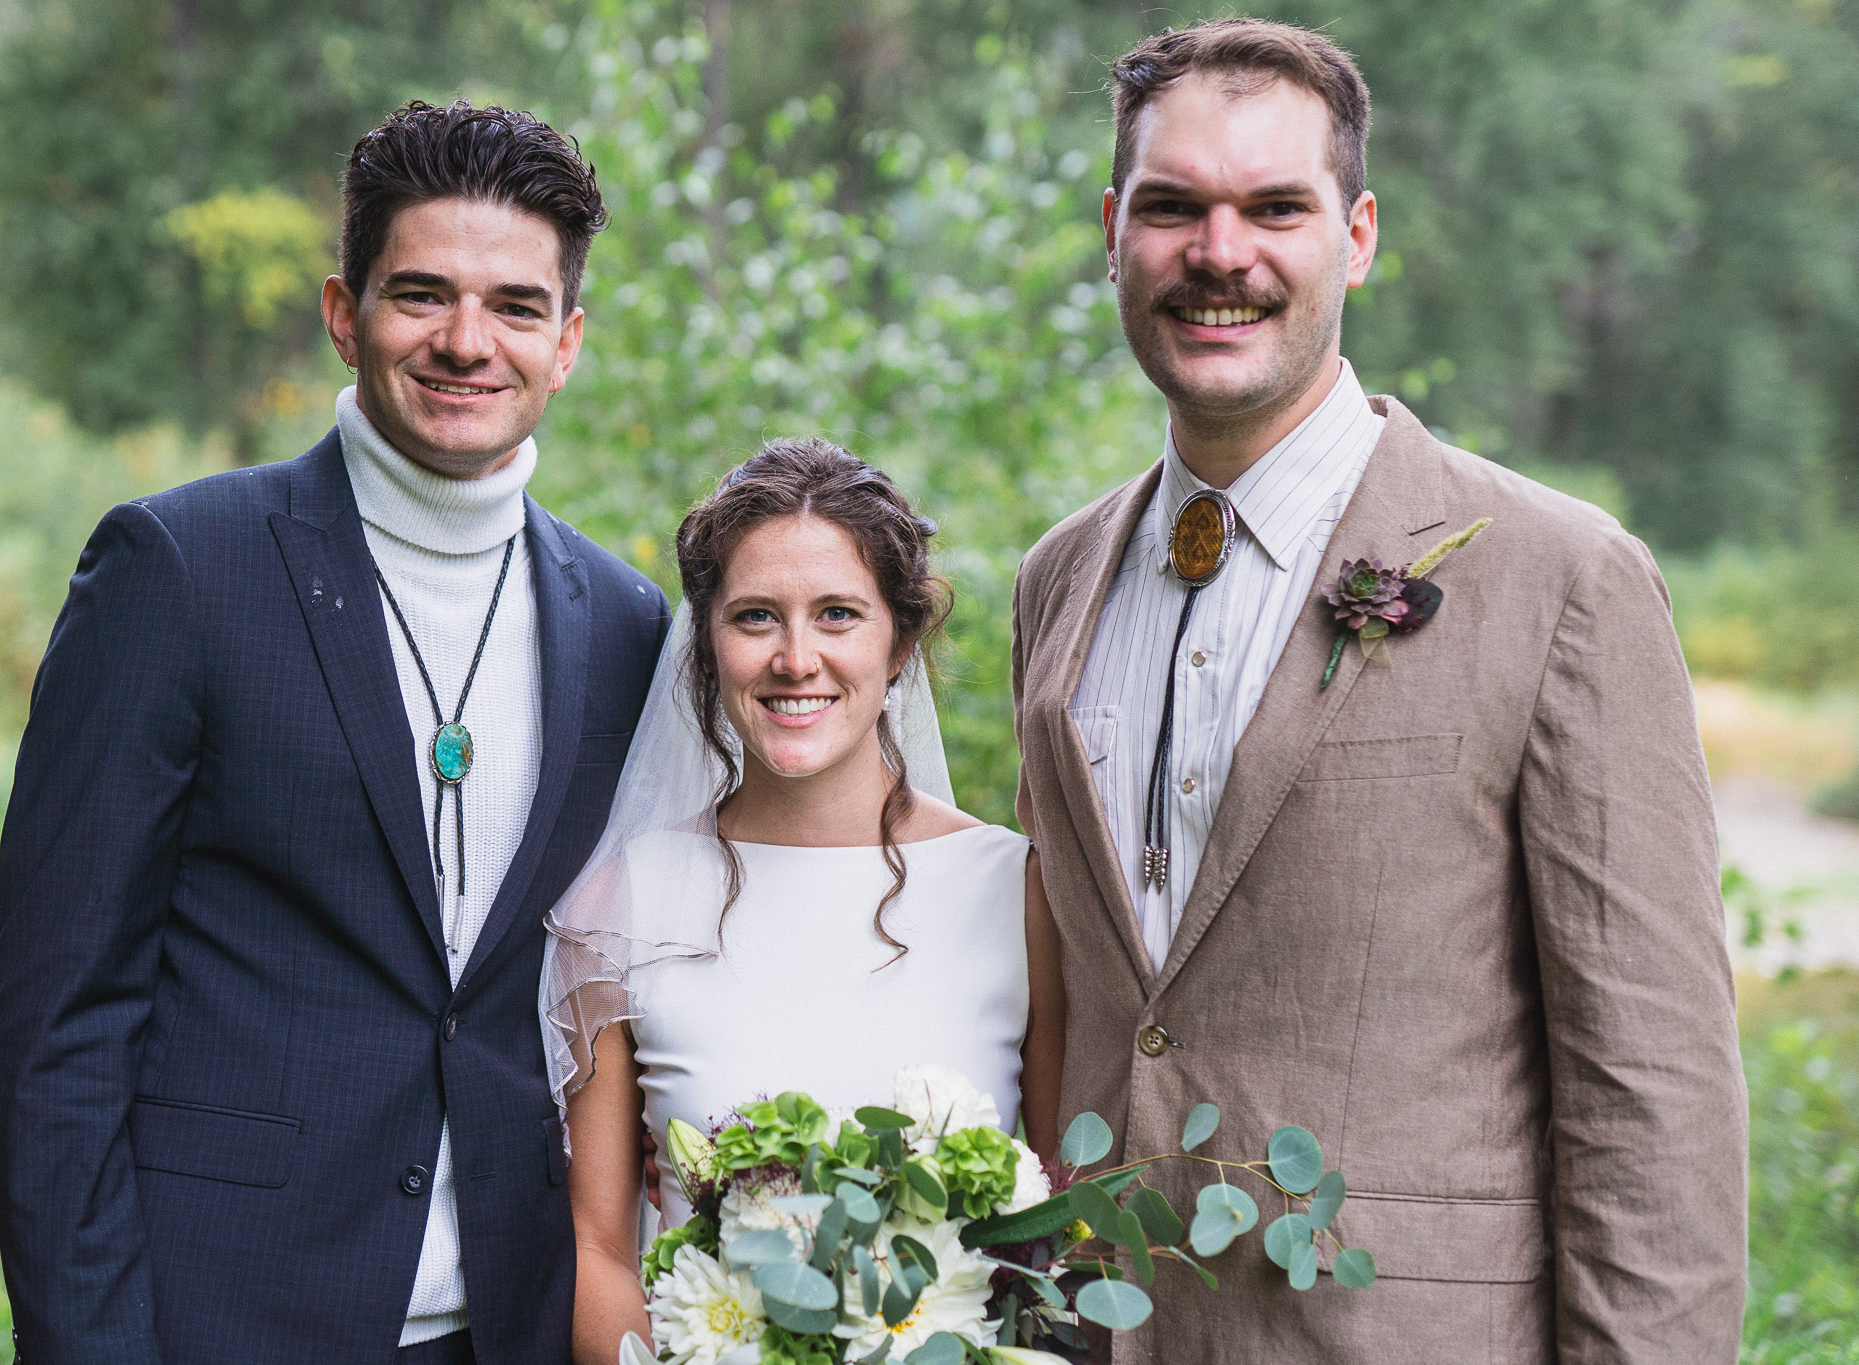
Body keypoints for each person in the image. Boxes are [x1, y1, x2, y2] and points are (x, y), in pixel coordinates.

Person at [1010, 18, 1748, 1362]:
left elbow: (1653, 1088)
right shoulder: (1057, 582)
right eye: (1172, 208)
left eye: (1272, 208)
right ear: (1113, 232)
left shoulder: (1559, 578)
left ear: (1353, 238)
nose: (1218, 253)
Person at [0, 100, 669, 1365]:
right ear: (343, 314)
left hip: (516, 1323)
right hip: (222, 1319)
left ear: (566, 343)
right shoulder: (175, 570)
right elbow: (58, 1022)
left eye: (515, 307)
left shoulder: (628, 625)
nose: (467, 341)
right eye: (421, 295)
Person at [541, 438, 1067, 1364]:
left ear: (899, 643)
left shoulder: (1015, 888)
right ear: (708, 641)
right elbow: (597, 1246)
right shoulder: (622, 902)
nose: (795, 658)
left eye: (837, 614)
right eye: (755, 617)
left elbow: (1061, 1223)